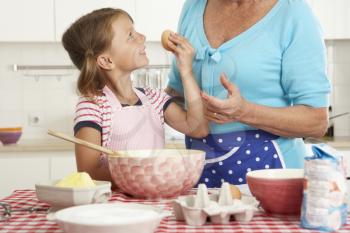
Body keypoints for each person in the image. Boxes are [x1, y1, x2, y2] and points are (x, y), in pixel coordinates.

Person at [165, 0, 330, 188]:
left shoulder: (294, 13)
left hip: (274, 180)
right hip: (202, 180)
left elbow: (316, 121)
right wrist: (143, 100)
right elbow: (176, 94)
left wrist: (243, 111)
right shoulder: (194, 6)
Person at [61, 8, 208, 183]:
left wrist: (186, 71)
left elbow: (197, 128)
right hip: (113, 206)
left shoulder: (154, 98)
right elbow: (88, 172)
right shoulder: (93, 106)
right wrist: (141, 174)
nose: (142, 37)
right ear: (107, 61)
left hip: (154, 202)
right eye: (130, 35)